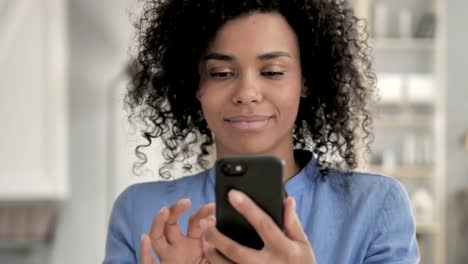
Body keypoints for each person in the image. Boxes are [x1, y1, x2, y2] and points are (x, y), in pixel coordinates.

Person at [104, 0, 420, 263]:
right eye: (221, 73)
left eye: (272, 72)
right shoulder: (139, 213)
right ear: (195, 84)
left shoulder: (375, 206)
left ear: (305, 80)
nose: (247, 93)